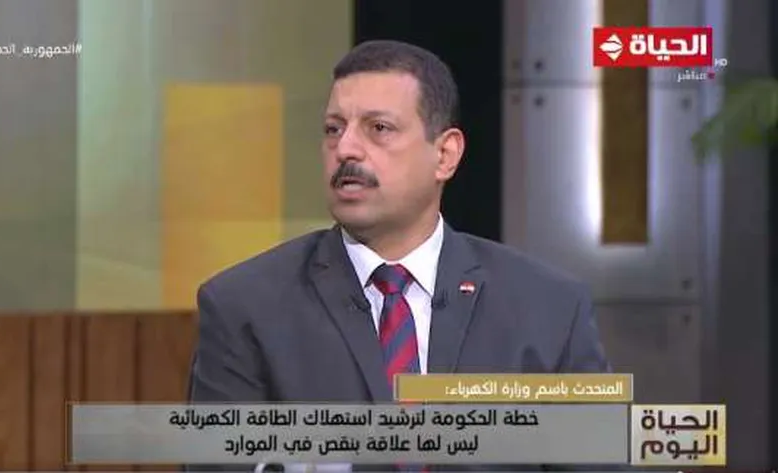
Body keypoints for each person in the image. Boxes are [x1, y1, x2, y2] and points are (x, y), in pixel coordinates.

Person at [188, 40, 612, 472]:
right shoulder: (245, 307)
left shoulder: (549, 309)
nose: (346, 148)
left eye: (378, 128)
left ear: (445, 155)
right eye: (334, 129)